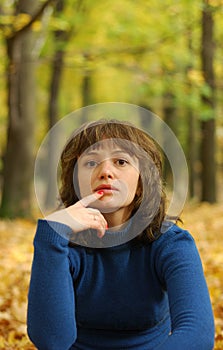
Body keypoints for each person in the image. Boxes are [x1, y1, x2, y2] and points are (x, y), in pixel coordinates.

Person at [27, 119, 215, 350]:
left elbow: (198, 333)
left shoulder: (171, 243)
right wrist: (52, 236)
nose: (105, 172)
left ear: (141, 182)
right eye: (91, 162)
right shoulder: (62, 245)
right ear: (76, 180)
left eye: (121, 161)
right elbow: (52, 341)